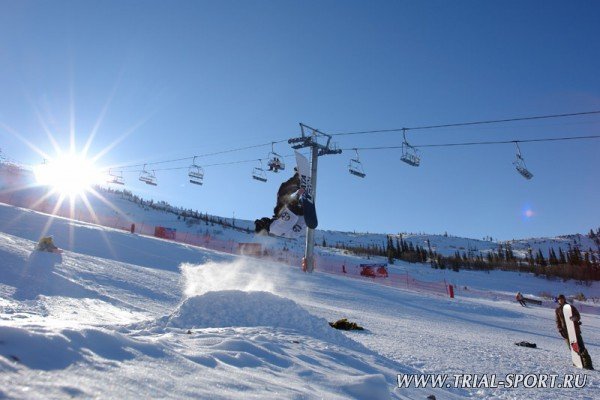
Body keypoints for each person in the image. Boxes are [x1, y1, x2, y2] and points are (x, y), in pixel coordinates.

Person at [555, 294, 594, 369]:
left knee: (581, 347)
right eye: (559, 299)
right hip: (566, 332)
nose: (560, 300)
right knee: (573, 348)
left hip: (575, 330)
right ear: (558, 300)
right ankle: (578, 362)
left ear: (564, 299)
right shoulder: (558, 310)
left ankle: (587, 364)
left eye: (562, 299)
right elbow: (558, 321)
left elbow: (578, 316)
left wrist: (574, 318)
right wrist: (560, 329)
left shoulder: (570, 307)